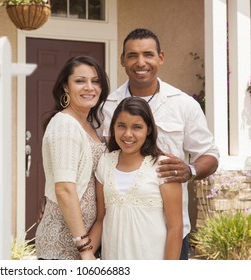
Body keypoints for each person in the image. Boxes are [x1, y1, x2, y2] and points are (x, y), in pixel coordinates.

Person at [98, 28, 219, 259]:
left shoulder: (183, 105)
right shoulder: (108, 106)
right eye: (132, 55)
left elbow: (210, 155)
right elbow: (97, 160)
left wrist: (190, 170)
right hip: (119, 234)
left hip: (172, 231)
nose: (140, 62)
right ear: (122, 60)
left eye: (148, 54)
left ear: (160, 57)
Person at [35, 55, 110, 260]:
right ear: (66, 87)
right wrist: (85, 247)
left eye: (95, 81)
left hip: (84, 241)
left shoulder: (89, 125)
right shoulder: (65, 125)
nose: (89, 87)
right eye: (80, 81)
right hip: (62, 244)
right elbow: (65, 189)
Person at [91, 97, 183, 259]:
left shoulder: (163, 166)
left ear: (148, 130)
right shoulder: (105, 162)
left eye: (137, 127)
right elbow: (100, 220)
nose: (128, 134)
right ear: (113, 128)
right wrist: (83, 254)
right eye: (121, 126)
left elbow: (175, 228)